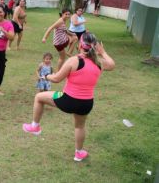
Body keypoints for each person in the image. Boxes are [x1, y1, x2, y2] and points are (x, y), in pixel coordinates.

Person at [23, 32, 115, 162]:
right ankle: (79, 153)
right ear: (95, 47)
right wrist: (103, 52)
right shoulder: (99, 62)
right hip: (86, 104)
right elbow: (112, 64)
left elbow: (56, 79)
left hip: (68, 100)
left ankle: (35, 126)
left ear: (79, 46)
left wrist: (47, 76)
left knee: (39, 97)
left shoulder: (74, 60)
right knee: (80, 127)